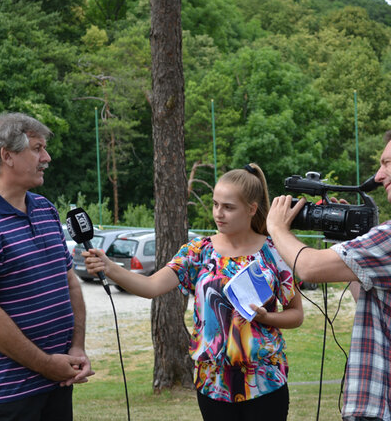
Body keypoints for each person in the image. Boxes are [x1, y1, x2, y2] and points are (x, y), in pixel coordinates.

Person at [267, 120, 391, 421]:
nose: (378, 175)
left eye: (387, 162)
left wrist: (277, 228)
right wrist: (346, 243)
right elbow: (380, 304)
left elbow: (307, 267)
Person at [84, 163, 303, 420]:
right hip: (213, 385)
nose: (218, 213)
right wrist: (110, 267)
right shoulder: (198, 252)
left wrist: (266, 318)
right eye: (215, 204)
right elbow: (151, 286)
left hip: (265, 381)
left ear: (251, 209)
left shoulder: (274, 253)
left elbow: (296, 315)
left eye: (228, 207)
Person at [0, 113, 94, 420]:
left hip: (58, 381)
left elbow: (69, 284)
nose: (46, 157)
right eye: (37, 148)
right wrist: (45, 364)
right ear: (6, 155)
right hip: (7, 394)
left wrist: (76, 348)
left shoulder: (45, 209)